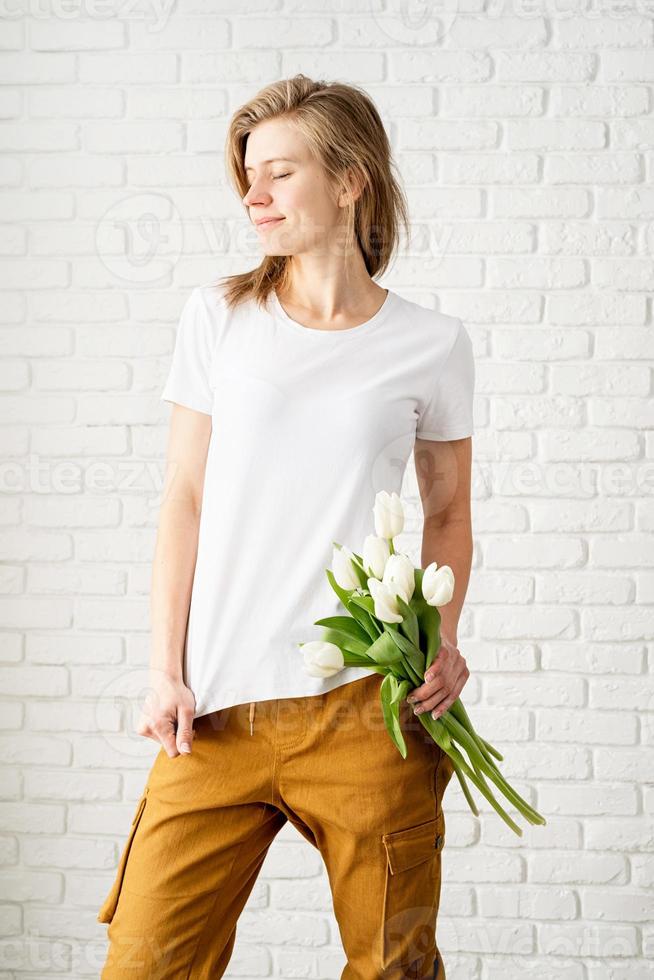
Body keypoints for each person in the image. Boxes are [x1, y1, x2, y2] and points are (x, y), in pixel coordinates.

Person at [97, 74, 475, 979]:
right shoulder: (219, 318)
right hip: (215, 710)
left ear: (350, 181)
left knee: (393, 967)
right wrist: (164, 668)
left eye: (279, 173)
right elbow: (183, 496)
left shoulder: (433, 342)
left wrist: (445, 637)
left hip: (366, 708)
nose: (253, 196)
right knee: (146, 962)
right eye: (246, 176)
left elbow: (450, 510)